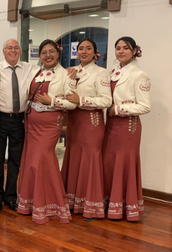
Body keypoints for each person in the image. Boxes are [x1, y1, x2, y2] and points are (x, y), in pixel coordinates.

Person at [17, 39, 77, 224]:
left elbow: (72, 103)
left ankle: (51, 204)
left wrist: (52, 101)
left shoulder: (66, 74)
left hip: (50, 123)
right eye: (44, 52)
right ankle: (31, 203)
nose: (48, 55)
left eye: (51, 51)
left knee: (41, 160)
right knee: (30, 161)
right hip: (31, 122)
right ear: (39, 55)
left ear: (58, 54)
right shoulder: (34, 71)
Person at [61, 38, 112, 220]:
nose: (83, 52)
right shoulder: (72, 71)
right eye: (80, 48)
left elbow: (106, 101)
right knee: (74, 159)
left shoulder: (102, 73)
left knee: (90, 161)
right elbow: (67, 94)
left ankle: (91, 205)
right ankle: (73, 202)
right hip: (74, 122)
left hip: (91, 122)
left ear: (94, 52)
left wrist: (81, 101)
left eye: (88, 48)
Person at [103, 36, 151, 221]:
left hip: (128, 127)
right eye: (118, 48)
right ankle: (111, 204)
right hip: (111, 126)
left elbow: (145, 106)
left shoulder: (139, 75)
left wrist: (118, 109)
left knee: (124, 164)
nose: (121, 51)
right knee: (110, 164)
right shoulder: (113, 73)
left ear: (134, 51)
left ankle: (126, 207)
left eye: (125, 48)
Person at [0, 39, 39, 212]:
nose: (13, 50)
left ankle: (10, 196)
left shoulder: (31, 68)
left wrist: (71, 71)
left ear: (20, 50)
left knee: (15, 159)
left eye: (16, 47)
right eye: (9, 48)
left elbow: (52, 72)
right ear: (3, 51)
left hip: (20, 119)